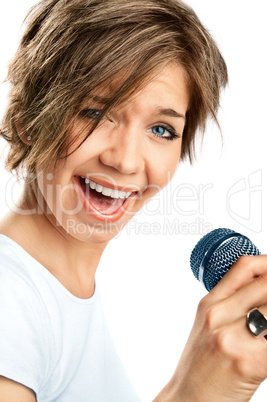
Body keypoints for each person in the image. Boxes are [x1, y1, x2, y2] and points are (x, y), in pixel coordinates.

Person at [0, 0, 267, 401]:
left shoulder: (58, 292)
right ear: (29, 121)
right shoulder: (10, 299)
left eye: (161, 129)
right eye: (95, 111)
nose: (124, 160)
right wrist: (192, 393)